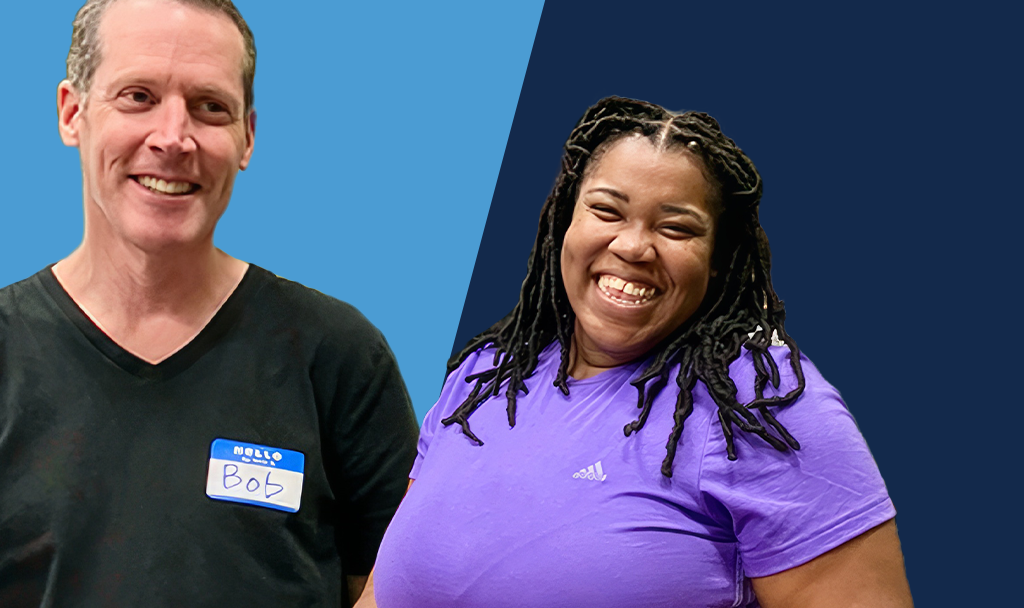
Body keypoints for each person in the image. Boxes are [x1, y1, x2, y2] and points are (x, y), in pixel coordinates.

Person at [0, 0, 418, 608]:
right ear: (73, 113)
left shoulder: (339, 356)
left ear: (247, 138)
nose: (173, 138)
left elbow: (396, 591)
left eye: (210, 107)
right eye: (138, 96)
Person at [367, 97, 912, 607]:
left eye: (675, 227)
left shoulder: (760, 409)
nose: (632, 246)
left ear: (718, 257)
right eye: (607, 211)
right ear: (565, 221)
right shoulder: (487, 377)